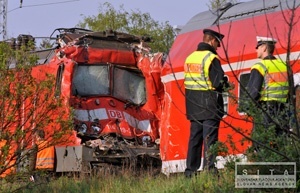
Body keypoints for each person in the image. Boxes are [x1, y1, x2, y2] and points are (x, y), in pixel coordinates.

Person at [184, 29, 231, 178]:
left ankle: (190, 172)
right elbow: (217, 82)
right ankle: (210, 171)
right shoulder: (211, 58)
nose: (218, 47)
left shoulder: (190, 58)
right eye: (217, 43)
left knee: (195, 139)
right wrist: (226, 84)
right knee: (210, 139)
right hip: (209, 105)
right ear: (212, 41)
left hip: (193, 105)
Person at [246, 36, 289, 148]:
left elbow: (253, 92)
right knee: (281, 143)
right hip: (282, 111)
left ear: (264, 48)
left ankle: (263, 165)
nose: (256, 50)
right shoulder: (284, 66)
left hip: (265, 111)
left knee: (260, 143)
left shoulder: (260, 66)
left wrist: (247, 108)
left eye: (258, 47)